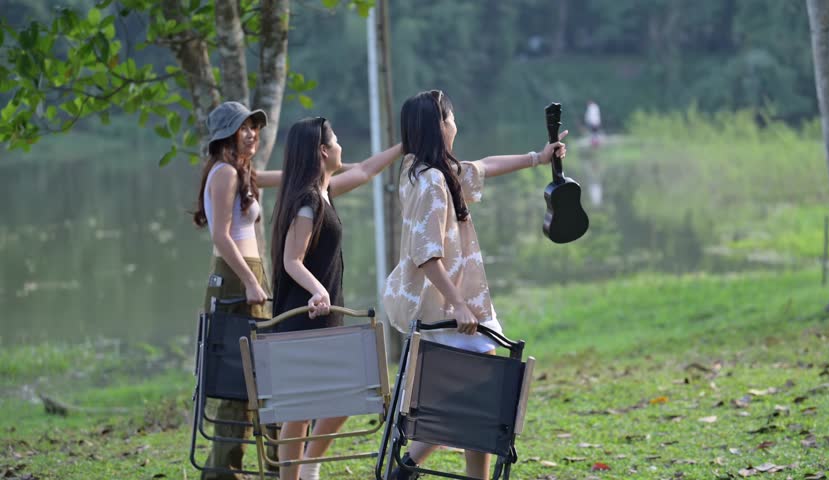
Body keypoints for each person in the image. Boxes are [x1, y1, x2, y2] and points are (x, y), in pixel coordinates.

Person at [382, 90, 567, 480]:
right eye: (450, 116)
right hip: (449, 310)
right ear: (440, 125)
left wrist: (538, 157)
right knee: (479, 398)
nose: (455, 123)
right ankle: (414, 466)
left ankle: (409, 466)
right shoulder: (433, 181)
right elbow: (426, 253)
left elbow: (484, 165)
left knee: (469, 398)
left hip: (445, 305)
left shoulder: (422, 171)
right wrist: (459, 304)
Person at [269, 116, 402, 480]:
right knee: (298, 412)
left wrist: (404, 146)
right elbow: (291, 260)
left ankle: (309, 464)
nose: (342, 147)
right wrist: (318, 289)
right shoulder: (307, 202)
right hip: (303, 317)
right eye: (337, 141)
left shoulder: (323, 192)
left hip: (323, 316)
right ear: (323, 151)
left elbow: (365, 171)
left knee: (353, 388)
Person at [193, 101, 282, 480]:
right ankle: (224, 472)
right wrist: (249, 281)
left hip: (246, 274)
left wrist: (324, 168)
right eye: (242, 127)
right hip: (236, 277)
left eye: (253, 127)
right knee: (240, 376)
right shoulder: (226, 173)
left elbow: (284, 176)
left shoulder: (240, 173)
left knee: (256, 373)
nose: (251, 134)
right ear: (224, 136)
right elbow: (220, 235)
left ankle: (264, 466)